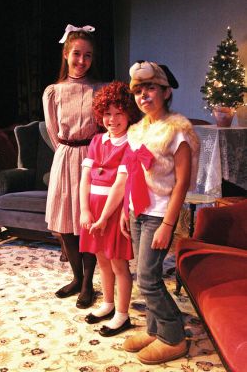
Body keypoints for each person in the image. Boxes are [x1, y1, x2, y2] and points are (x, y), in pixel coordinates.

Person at [120, 61, 200, 364]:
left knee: (149, 278)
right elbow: (132, 173)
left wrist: (168, 223)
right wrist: (124, 212)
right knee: (143, 273)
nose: (144, 95)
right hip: (137, 210)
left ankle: (173, 337)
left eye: (150, 88)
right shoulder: (138, 130)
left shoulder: (177, 130)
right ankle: (154, 328)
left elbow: (182, 183)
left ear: (166, 92)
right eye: (138, 91)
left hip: (159, 214)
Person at [43, 24, 104, 309]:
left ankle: (89, 283)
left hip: (92, 159)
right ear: (66, 54)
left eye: (88, 56)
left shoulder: (99, 89)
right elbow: (54, 132)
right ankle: (77, 278)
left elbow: (107, 129)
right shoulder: (53, 92)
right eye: (77, 54)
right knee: (65, 224)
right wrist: (68, 154)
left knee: (87, 223)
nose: (82, 61)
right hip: (65, 156)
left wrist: (91, 157)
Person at [79, 81, 141, 336]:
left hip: (113, 211)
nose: (112, 119)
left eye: (118, 113)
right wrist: (84, 210)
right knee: (102, 260)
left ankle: (123, 315)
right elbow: (85, 177)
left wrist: (104, 217)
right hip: (93, 208)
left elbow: (120, 184)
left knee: (118, 265)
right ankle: (107, 303)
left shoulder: (131, 143)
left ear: (129, 114)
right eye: (107, 113)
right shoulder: (96, 140)